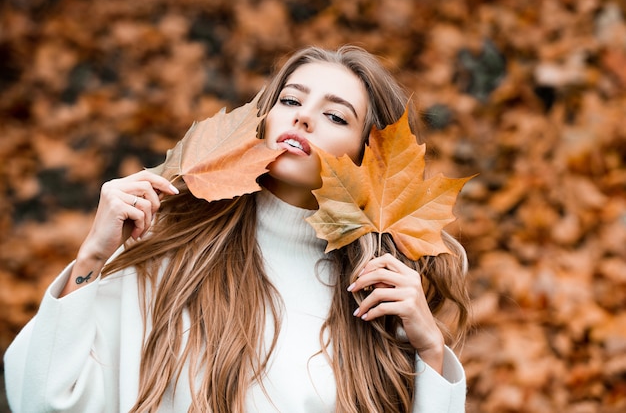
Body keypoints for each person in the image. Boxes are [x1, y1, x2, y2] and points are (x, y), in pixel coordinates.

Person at [4, 45, 470, 412]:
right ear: (263, 121)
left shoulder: (374, 301)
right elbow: (37, 399)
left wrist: (428, 347)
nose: (303, 117)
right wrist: (91, 258)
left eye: (335, 115)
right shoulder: (170, 255)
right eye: (290, 100)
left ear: (370, 160)